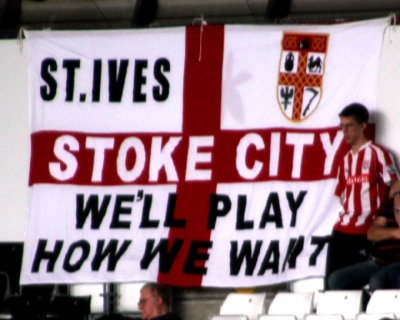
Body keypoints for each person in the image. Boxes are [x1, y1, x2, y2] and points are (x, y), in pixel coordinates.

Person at [325, 102, 399, 289]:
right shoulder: (344, 161)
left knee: (359, 287)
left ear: (363, 126)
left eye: (349, 125)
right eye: (342, 126)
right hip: (342, 230)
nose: (345, 131)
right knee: (332, 284)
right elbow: (342, 195)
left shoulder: (379, 154)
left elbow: (395, 187)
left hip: (365, 232)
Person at [328, 192, 400, 290]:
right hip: (379, 262)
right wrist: (394, 233)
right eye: (397, 211)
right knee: (336, 279)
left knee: (377, 281)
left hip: (396, 264)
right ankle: (363, 303)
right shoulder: (389, 208)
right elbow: (371, 233)